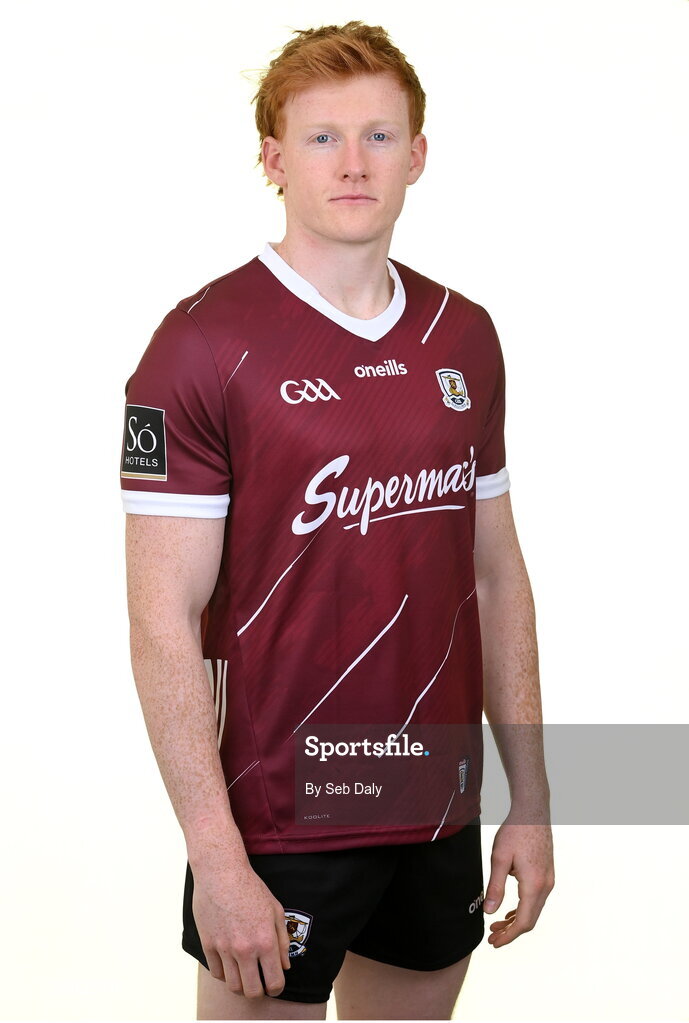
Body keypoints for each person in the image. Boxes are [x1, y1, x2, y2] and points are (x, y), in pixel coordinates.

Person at [121, 20, 554, 1021]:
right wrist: (215, 858)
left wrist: (528, 800)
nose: (352, 162)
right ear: (272, 158)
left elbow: (494, 577)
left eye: (377, 135)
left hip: (436, 805)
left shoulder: (464, 335)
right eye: (320, 137)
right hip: (280, 818)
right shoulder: (200, 345)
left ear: (417, 154)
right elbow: (159, 622)